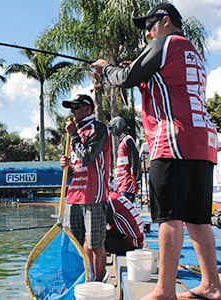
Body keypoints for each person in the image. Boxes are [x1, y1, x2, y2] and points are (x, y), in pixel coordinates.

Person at [91, 3, 221, 300]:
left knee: (169, 218)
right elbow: (161, 82)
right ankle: (212, 285)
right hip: (202, 141)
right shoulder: (191, 51)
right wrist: (131, 67)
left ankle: (164, 291)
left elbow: (125, 79)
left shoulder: (165, 43)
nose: (147, 33)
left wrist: (106, 68)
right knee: (198, 219)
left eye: (149, 26)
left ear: (165, 21)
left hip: (173, 141)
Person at [60, 94, 111, 282]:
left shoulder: (99, 129)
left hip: (93, 194)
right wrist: (67, 165)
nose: (72, 111)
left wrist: (73, 134)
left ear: (88, 108)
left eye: (76, 107)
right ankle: (79, 280)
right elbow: (78, 165)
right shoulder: (75, 133)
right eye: (71, 108)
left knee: (96, 243)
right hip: (74, 195)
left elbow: (88, 157)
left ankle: (98, 283)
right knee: (73, 243)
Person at [108, 116, 141, 203]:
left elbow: (135, 159)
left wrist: (137, 179)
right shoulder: (122, 142)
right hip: (120, 185)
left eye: (113, 128)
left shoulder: (128, 139)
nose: (112, 131)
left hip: (127, 184)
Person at [105, 190, 144, 255]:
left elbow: (100, 224)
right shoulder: (115, 196)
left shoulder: (110, 200)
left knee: (92, 238)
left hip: (130, 243)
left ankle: (91, 264)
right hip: (135, 240)